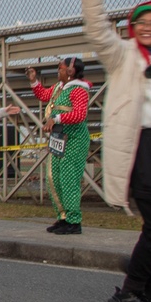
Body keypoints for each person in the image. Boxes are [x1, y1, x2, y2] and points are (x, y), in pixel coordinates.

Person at [83, 0, 151, 302]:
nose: (147, 27)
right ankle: (131, 290)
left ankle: (141, 267)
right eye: (141, 22)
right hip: (144, 148)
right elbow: (99, 32)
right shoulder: (125, 57)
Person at [26, 59, 91, 235]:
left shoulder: (79, 90)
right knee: (53, 177)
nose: (57, 71)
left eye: (60, 68)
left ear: (71, 71)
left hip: (74, 140)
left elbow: (79, 114)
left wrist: (56, 119)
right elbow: (44, 95)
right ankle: (63, 217)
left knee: (68, 179)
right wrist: (33, 80)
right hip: (59, 139)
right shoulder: (59, 88)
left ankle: (74, 221)